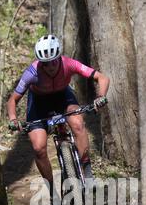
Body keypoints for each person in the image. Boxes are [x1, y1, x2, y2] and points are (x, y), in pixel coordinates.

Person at [7, 34, 110, 196]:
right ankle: (52, 192)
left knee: (77, 124)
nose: (50, 67)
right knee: (39, 148)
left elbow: (101, 77)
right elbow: (13, 99)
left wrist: (101, 96)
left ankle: (88, 174)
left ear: (59, 57)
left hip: (63, 97)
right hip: (39, 104)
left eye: (54, 61)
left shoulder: (69, 64)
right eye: (46, 64)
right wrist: (13, 119)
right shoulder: (32, 72)